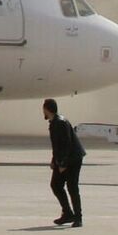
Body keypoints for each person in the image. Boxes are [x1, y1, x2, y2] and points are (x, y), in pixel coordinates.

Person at [45, 97, 85, 227]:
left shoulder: (60, 123)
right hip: (63, 158)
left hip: (73, 158)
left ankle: (78, 218)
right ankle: (67, 213)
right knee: (55, 185)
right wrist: (54, 161)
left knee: (72, 187)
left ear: (46, 109)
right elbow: (57, 146)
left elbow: (66, 144)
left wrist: (62, 163)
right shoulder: (53, 122)